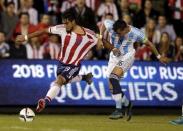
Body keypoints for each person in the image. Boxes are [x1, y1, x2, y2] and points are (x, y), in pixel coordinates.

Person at [16, 10, 103, 112]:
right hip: (61, 63)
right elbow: (44, 31)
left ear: (73, 21)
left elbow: (99, 38)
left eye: (67, 23)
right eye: (64, 22)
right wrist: (26, 37)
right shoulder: (61, 28)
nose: (65, 25)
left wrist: (100, 39)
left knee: (59, 80)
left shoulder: (88, 34)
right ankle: (85, 77)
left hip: (74, 65)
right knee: (62, 82)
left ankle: (44, 101)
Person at [100, 19, 169, 120]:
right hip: (114, 55)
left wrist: (158, 57)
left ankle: (118, 110)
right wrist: (101, 36)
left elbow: (149, 44)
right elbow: (104, 23)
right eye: (116, 33)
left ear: (125, 29)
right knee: (111, 87)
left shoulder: (136, 33)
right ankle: (127, 104)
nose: (118, 35)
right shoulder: (112, 25)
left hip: (127, 55)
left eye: (120, 33)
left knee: (113, 77)